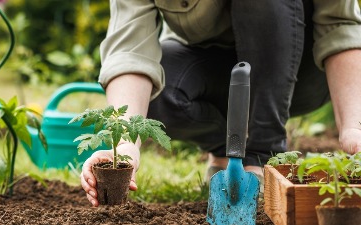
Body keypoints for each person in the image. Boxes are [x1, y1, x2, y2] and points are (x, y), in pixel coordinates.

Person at [81, 0, 361, 207]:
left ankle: (262, 156)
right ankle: (227, 150)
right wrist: (127, 146)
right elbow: (130, 50)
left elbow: (340, 25)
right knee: (160, 91)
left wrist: (354, 128)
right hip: (212, 68)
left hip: (299, 72)